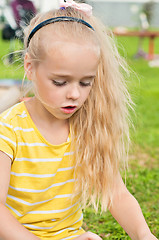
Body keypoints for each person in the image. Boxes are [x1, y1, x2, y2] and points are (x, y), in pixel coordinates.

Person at [0, 1, 157, 240]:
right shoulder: (9, 130)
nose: (75, 94)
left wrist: (144, 236)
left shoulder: (86, 126)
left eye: (85, 82)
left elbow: (116, 193)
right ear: (30, 68)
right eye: (60, 82)